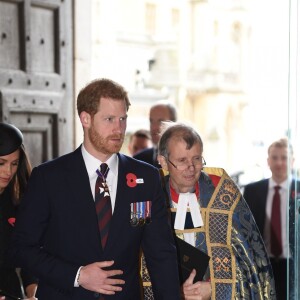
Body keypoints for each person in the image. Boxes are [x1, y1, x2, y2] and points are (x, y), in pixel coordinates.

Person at [10, 78, 181, 300]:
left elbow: (161, 254)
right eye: (109, 119)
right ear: (85, 119)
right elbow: (21, 249)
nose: (118, 128)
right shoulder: (48, 178)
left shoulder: (146, 178)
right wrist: (77, 275)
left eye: (122, 119)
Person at [143, 123, 276, 299]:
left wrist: (215, 288)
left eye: (197, 159)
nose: (191, 167)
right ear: (163, 162)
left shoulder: (224, 194)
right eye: (182, 160)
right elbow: (136, 259)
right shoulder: (148, 198)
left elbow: (252, 267)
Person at [243, 138, 300, 300]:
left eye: (284, 158)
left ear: (292, 161)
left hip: (293, 265)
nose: (279, 163)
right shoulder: (252, 191)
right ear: (268, 161)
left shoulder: (299, 190)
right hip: (262, 264)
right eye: (275, 158)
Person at [0, 123, 38, 300]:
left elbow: (28, 257)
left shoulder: (18, 202)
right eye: (1, 163)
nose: (8, 171)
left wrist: (33, 293)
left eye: (14, 164)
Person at [133, 100, 177, 167]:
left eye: (161, 121)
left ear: (173, 124)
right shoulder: (138, 160)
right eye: (151, 121)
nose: (154, 127)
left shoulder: (185, 159)